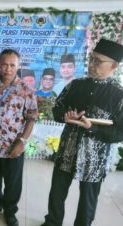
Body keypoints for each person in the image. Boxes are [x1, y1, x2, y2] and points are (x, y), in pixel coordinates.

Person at [41, 38, 123, 226]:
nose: (92, 64)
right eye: (91, 59)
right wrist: (65, 116)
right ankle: (52, 222)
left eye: (98, 61)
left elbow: (120, 133)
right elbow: (57, 109)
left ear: (114, 65)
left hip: (95, 160)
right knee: (57, 192)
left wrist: (92, 128)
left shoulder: (119, 96)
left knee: (88, 200)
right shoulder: (75, 85)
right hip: (67, 152)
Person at [0, 49, 38, 226]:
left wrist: (22, 141)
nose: (8, 69)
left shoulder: (26, 90)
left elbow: (32, 118)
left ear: (18, 66)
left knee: (13, 182)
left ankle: (10, 211)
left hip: (12, 147)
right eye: (4, 64)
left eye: (12, 65)